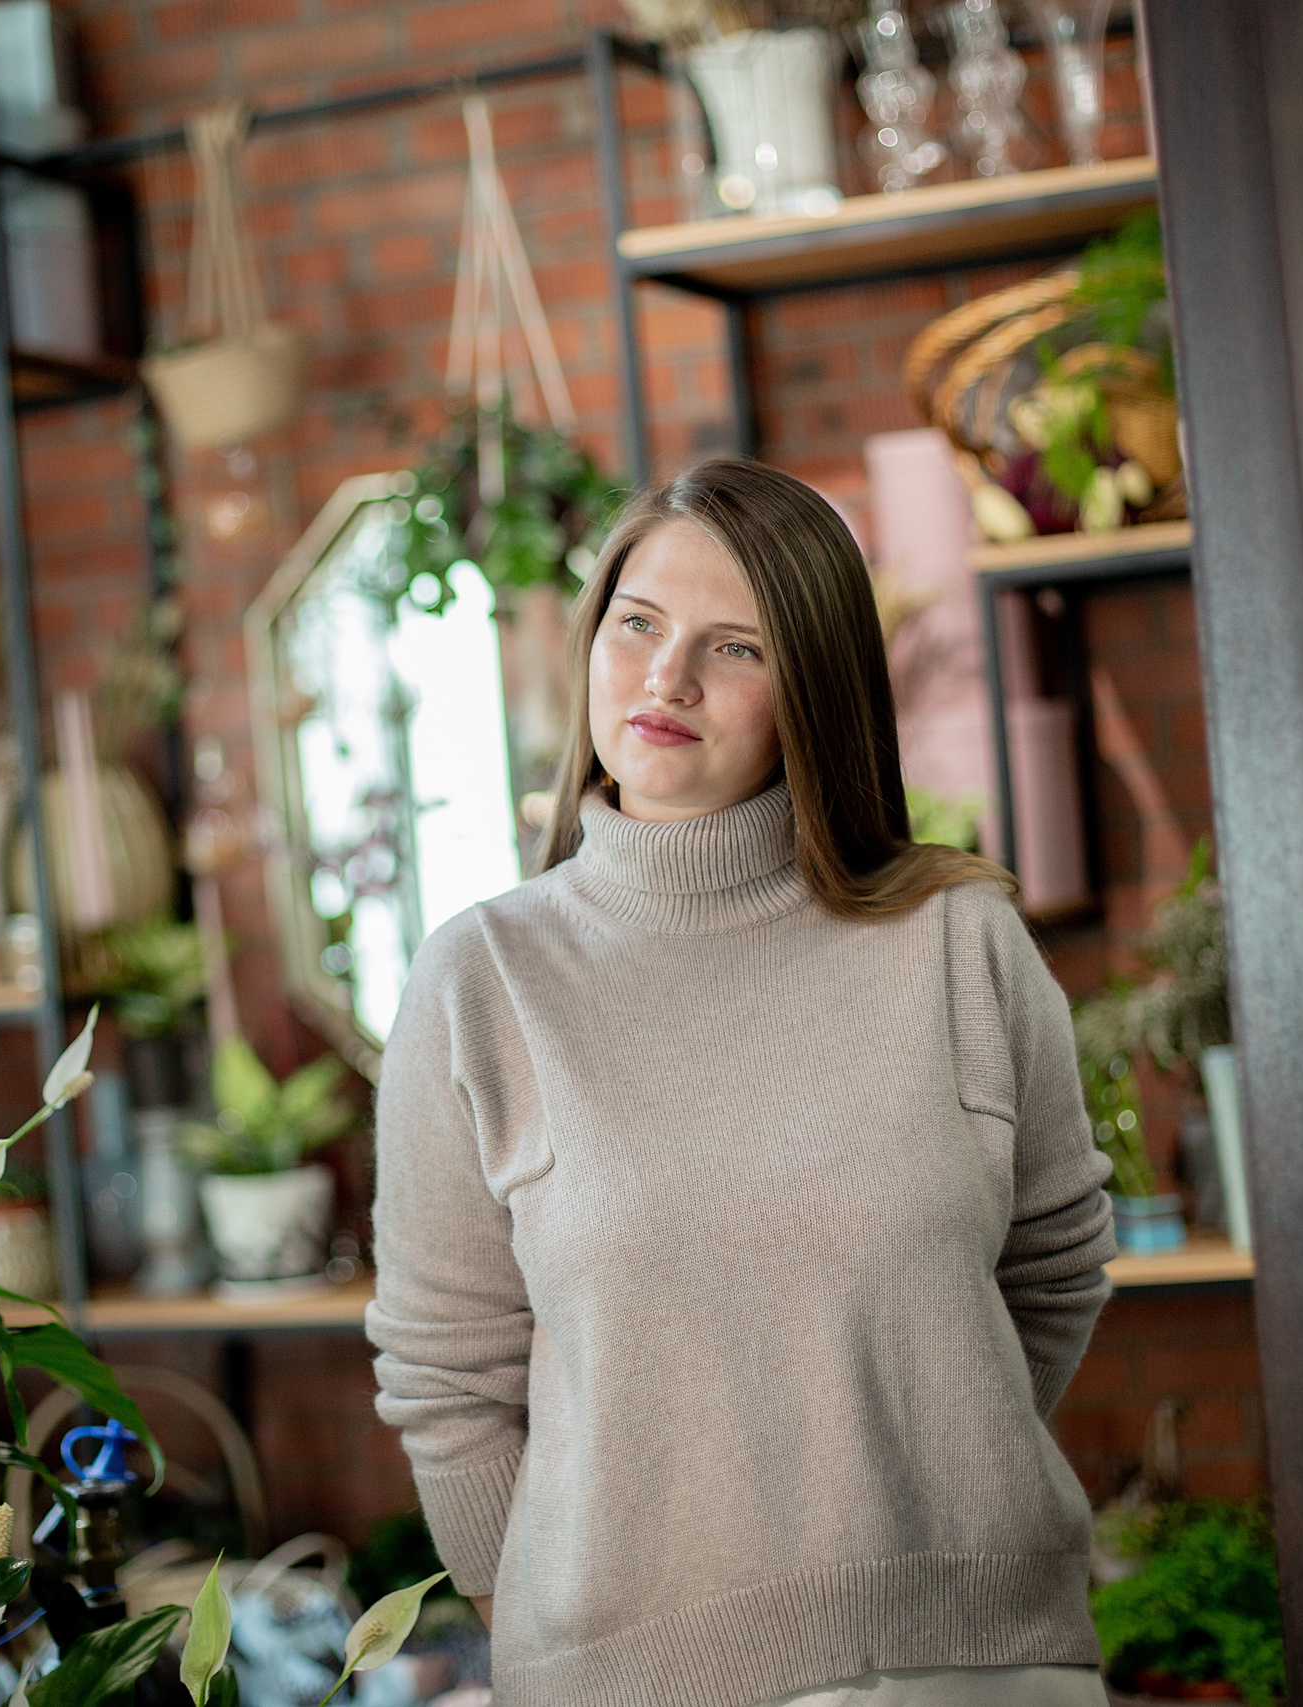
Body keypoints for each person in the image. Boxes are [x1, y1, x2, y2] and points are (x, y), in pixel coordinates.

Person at [367, 457, 1116, 1707]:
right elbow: (448, 1378)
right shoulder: (483, 979)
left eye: (736, 648)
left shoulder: (958, 943)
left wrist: (915, 1491)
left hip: (974, 1667)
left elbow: (1051, 1270)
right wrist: (563, 1636)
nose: (666, 680)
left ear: (811, 693)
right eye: (639, 626)